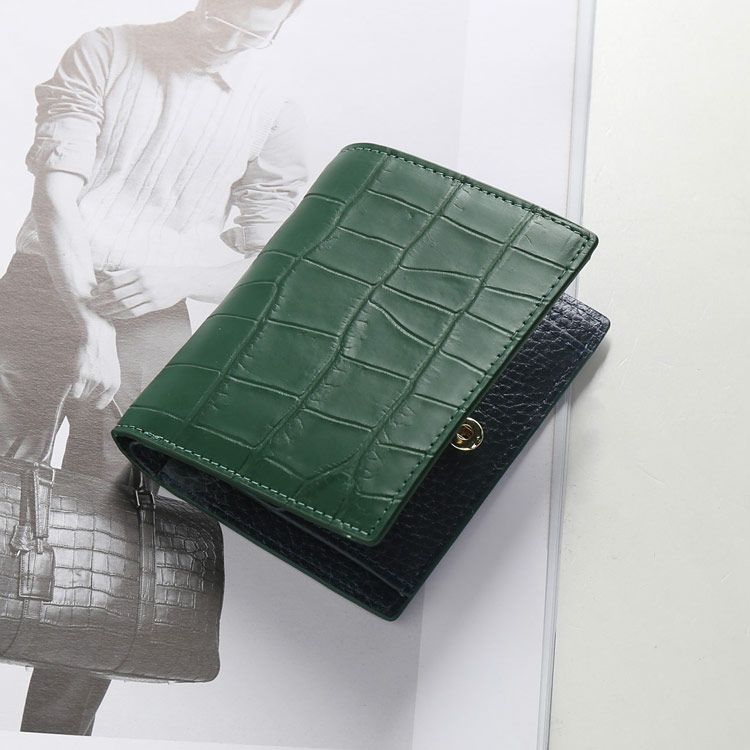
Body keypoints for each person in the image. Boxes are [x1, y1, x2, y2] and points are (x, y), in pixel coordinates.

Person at [0, 0, 308, 735]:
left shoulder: (277, 108)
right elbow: (56, 195)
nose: (227, 43)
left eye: (252, 35)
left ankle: (55, 733)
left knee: (115, 522)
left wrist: (181, 279)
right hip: (43, 291)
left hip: (156, 317)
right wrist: (91, 324)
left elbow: (274, 256)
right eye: (221, 21)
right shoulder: (105, 49)